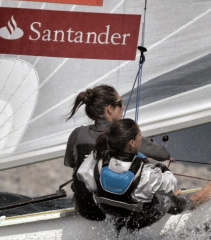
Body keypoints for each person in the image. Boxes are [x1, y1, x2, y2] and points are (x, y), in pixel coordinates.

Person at [76, 118, 211, 232]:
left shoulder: (98, 163)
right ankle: (194, 201)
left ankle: (120, 221)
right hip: (138, 221)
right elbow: (171, 185)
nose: (141, 138)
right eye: (140, 136)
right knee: (167, 200)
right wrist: (163, 169)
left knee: (134, 195)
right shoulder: (147, 173)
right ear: (132, 143)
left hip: (112, 213)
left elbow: (82, 174)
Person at [64, 85, 170, 221]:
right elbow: (163, 155)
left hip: (85, 210)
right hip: (114, 211)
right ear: (110, 109)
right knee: (162, 190)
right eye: (120, 104)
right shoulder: (121, 135)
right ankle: (188, 203)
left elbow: (71, 163)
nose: (123, 107)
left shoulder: (77, 134)